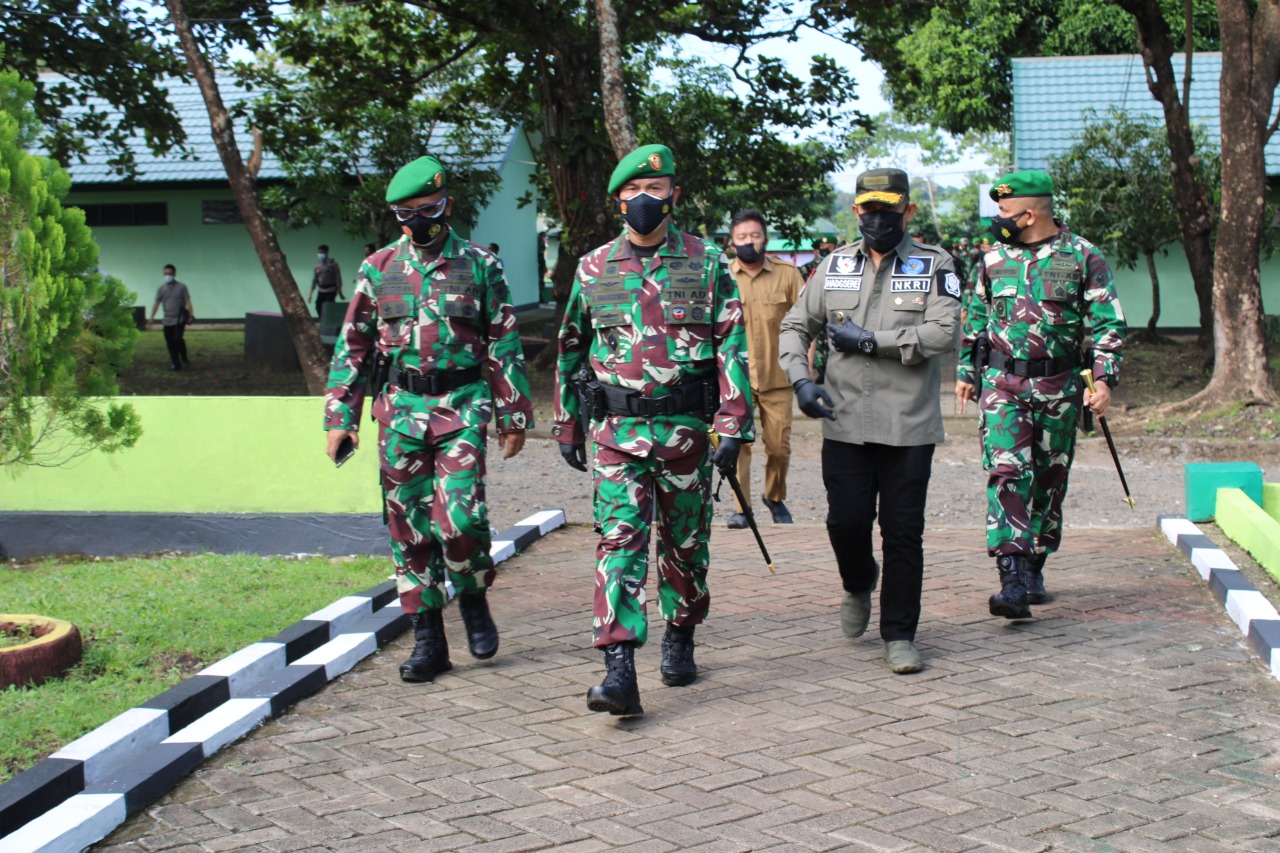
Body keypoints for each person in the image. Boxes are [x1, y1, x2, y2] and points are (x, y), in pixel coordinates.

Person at [553, 143, 753, 717]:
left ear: (674, 195)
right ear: (618, 200)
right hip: (616, 434)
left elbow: (732, 346)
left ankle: (681, 631)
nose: (644, 199)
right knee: (620, 542)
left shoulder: (706, 261)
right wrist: (567, 424)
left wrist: (734, 423)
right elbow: (571, 348)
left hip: (685, 432)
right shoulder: (594, 267)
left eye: (655, 189)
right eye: (633, 191)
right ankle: (618, 668)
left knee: (685, 545)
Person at [324, 155, 534, 684]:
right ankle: (429, 640)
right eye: (407, 212)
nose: (419, 220)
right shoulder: (378, 268)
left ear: (447, 205)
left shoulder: (480, 265)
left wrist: (512, 413)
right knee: (409, 527)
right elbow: (354, 346)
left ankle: (473, 594)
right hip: (399, 411)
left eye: (429, 209)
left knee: (459, 519)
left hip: (461, 406)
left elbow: (503, 340)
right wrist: (340, 416)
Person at [778, 168, 961, 675]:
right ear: (856, 211)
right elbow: (795, 325)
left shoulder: (935, 264)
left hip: (908, 425)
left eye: (889, 209)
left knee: (903, 532)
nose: (879, 218)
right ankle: (858, 582)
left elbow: (945, 332)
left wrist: (870, 342)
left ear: (908, 210)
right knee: (845, 523)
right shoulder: (833, 264)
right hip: (844, 422)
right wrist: (801, 381)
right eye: (870, 209)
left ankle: (899, 634)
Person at [955, 170, 1126, 619]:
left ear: (1029, 215)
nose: (998, 218)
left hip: (1060, 387)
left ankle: (1035, 563)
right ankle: (1011, 579)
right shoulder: (993, 260)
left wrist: (1103, 380)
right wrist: (966, 372)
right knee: (1007, 473)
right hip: (1003, 385)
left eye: (1005, 211)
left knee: (1050, 481)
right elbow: (976, 318)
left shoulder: (1083, 256)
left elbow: (1108, 324)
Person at [726, 209, 804, 529]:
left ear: (766, 239)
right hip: (736, 378)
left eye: (755, 236)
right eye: (742, 237)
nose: (749, 242)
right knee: (738, 445)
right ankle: (741, 508)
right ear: (731, 242)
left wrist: (803, 367)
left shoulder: (788, 274)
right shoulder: (722, 276)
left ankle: (774, 496)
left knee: (779, 447)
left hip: (778, 376)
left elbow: (806, 321)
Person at [149, 264, 194, 371]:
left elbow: (188, 301)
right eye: (165, 274)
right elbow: (156, 303)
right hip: (167, 320)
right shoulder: (161, 289)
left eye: (169, 273)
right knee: (170, 342)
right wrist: (151, 318)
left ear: (174, 274)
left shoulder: (182, 287)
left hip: (179, 319)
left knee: (178, 339)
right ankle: (175, 363)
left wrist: (190, 315)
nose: (167, 276)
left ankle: (184, 358)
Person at [310, 245, 345, 318]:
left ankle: (328, 321)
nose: (320, 254)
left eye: (322, 252)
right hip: (321, 290)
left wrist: (340, 293)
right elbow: (315, 279)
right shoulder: (318, 265)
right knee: (318, 307)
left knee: (328, 308)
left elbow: (338, 278)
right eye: (319, 252)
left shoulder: (333, 264)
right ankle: (322, 320)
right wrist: (311, 294)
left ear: (327, 252)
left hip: (331, 290)